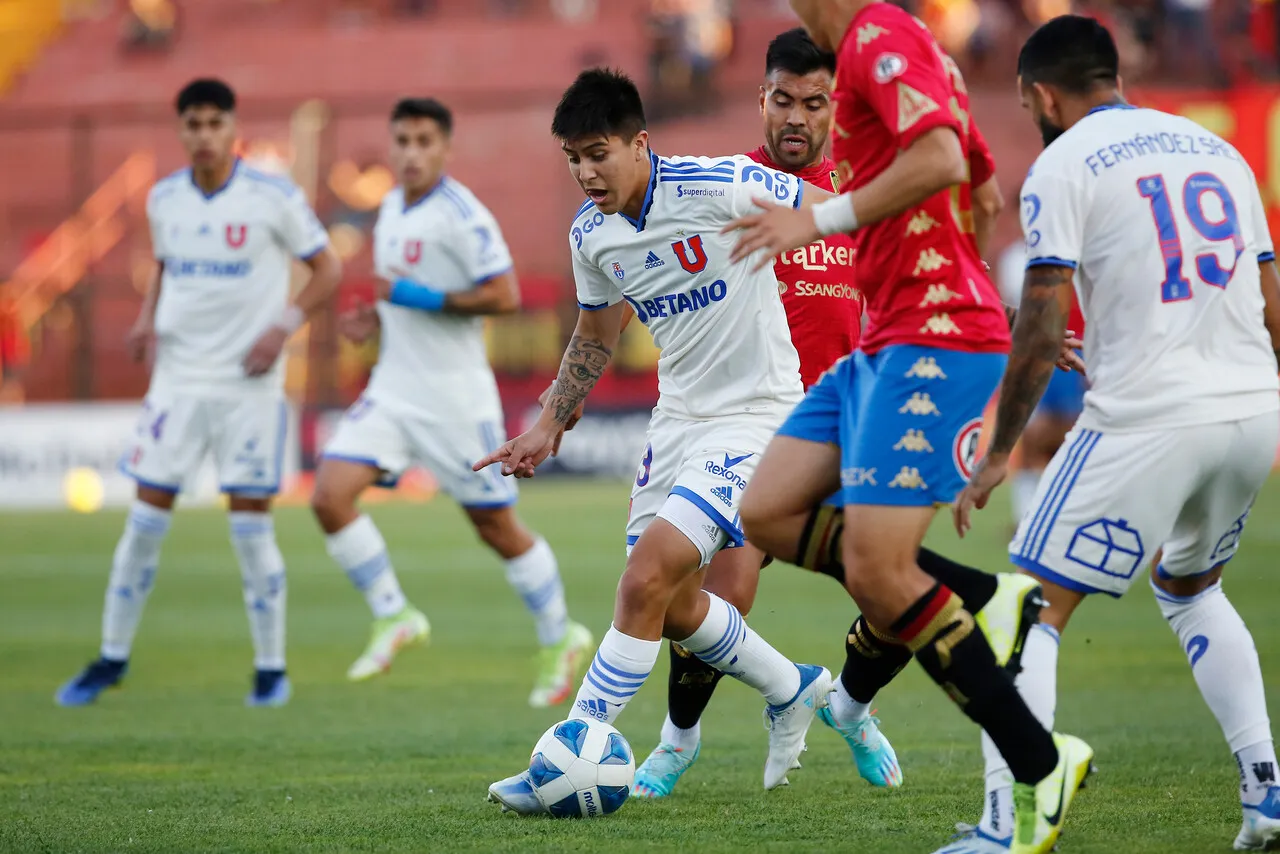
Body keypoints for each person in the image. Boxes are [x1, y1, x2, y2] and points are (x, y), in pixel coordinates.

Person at [727, 2, 1093, 852]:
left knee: (879, 573)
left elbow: (937, 160)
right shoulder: (908, 47)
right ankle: (986, 597)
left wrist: (821, 220)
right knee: (767, 512)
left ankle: (1042, 764)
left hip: (927, 339)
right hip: (888, 338)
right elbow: (983, 185)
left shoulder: (877, 35)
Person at [951, 16, 1280, 853]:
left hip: (1149, 416)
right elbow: (1272, 304)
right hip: (1250, 408)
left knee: (1024, 609)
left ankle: (1009, 825)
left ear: (1041, 95)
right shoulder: (1219, 153)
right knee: (1192, 588)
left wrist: (997, 455)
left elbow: (1039, 320)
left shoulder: (1060, 164)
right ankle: (1266, 791)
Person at [481, 68, 836, 814]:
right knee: (672, 607)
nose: (586, 172)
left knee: (642, 579)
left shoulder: (722, 184)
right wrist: (549, 424)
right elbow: (595, 334)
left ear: (640, 144)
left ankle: (568, 757)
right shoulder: (591, 234)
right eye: (573, 157)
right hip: (678, 420)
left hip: (760, 415)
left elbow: (838, 210)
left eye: (599, 152)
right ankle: (792, 688)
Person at [627, 25, 895, 801]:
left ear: (834, 108)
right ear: (760, 98)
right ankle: (678, 741)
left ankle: (850, 706)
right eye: (783, 99)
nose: (795, 118)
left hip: (844, 427)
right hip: (750, 430)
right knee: (718, 597)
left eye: (814, 103)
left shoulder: (857, 199)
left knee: (891, 594)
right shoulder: (723, 187)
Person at [56, 79, 343, 708]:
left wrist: (282, 329)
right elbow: (164, 264)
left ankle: (270, 670)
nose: (204, 135)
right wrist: (144, 316)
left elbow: (328, 269)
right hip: (178, 382)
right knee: (143, 523)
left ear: (232, 128)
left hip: (249, 387)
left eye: (216, 123)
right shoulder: (164, 200)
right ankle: (110, 658)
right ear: (181, 130)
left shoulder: (272, 194)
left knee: (249, 528)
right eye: (194, 124)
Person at [311, 98, 592, 705]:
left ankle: (559, 635)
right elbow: (400, 301)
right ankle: (394, 615)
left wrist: (414, 295)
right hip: (391, 389)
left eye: (423, 142)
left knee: (496, 527)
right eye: (402, 141)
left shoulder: (463, 215)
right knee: (329, 496)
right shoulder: (387, 207)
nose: (411, 153)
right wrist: (376, 320)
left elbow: (505, 294)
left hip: (454, 401)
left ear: (445, 149)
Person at [996, 238, 1087, 529]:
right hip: (1040, 347)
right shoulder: (1016, 255)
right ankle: (1027, 515)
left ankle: (1047, 513)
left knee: (1062, 433)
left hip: (1075, 345)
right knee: (1040, 434)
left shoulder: (1077, 244)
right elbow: (1021, 300)